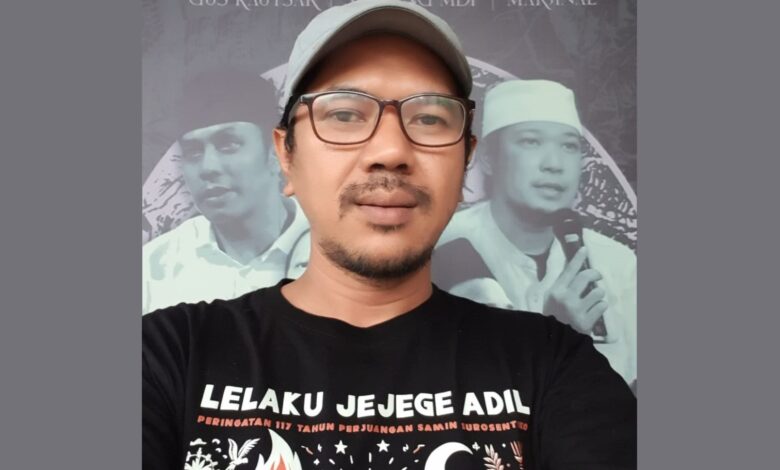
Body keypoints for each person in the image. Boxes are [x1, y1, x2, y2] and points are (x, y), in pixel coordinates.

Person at [143, 2, 636, 470]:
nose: (390, 151)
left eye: (429, 118)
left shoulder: (552, 365)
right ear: (286, 157)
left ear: (466, 162)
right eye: (344, 115)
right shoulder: (168, 357)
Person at [433, 79, 637, 387]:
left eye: (569, 146)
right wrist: (555, 334)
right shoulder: (437, 246)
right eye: (531, 142)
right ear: (488, 158)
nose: (554, 165)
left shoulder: (618, 264)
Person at [142, 68, 308, 314]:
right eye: (193, 152)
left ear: (277, 152)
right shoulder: (154, 270)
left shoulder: (333, 250)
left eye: (228, 144)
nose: (208, 168)